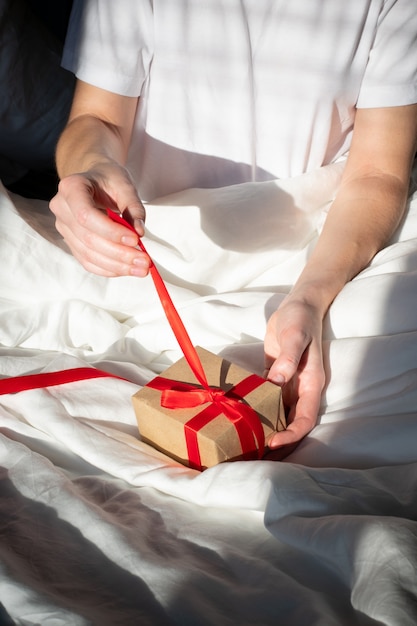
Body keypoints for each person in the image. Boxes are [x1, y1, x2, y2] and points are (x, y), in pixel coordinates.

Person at [50, 0, 417, 455]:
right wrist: (90, 167)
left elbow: (378, 174)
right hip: (156, 254)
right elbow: (97, 118)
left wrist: (310, 298)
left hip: (322, 253)